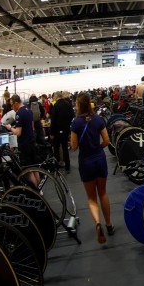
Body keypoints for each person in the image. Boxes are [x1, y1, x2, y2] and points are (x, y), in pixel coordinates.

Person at [70, 93, 112, 244]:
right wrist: (98, 148)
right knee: (103, 193)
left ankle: (97, 223)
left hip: (85, 162)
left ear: (79, 105)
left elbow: (74, 147)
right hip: (99, 159)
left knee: (92, 198)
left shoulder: (76, 123)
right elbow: (107, 141)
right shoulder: (98, 119)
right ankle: (109, 224)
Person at [9, 95, 39, 185]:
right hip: (31, 142)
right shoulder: (29, 110)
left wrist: (10, 128)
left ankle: (35, 191)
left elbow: (18, 133)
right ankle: (39, 189)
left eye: (12, 104)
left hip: (24, 145)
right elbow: (32, 126)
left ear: (16, 103)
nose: (11, 107)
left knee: (28, 171)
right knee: (35, 168)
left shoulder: (19, 114)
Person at [50, 91, 75, 172]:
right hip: (66, 129)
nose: (53, 98)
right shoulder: (68, 104)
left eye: (54, 97)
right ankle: (68, 166)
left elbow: (53, 120)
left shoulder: (56, 105)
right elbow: (72, 115)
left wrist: (51, 132)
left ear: (56, 97)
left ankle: (57, 166)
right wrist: (67, 124)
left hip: (57, 131)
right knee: (65, 148)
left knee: (56, 149)